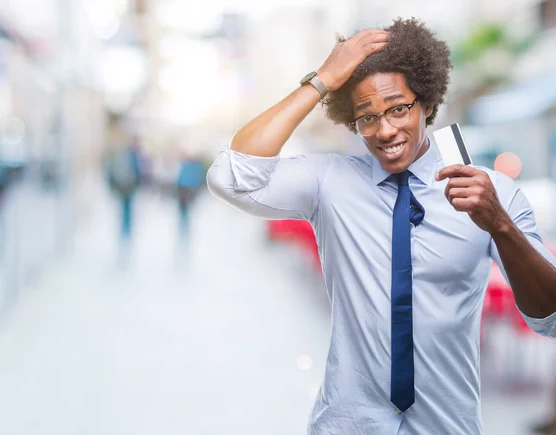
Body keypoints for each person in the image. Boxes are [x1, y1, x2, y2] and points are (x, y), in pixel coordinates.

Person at [206, 18, 556, 435]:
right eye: (367, 117)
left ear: (426, 103)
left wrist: (499, 224)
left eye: (398, 108)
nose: (385, 129)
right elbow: (230, 176)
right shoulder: (329, 183)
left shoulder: (491, 193)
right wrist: (320, 80)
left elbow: (548, 317)